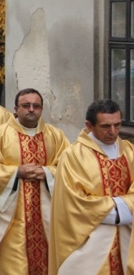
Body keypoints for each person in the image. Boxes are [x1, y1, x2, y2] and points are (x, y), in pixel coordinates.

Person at [0, 88, 69, 275]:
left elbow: (70, 168)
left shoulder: (56, 136)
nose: (31, 109)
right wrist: (17, 172)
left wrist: (47, 172)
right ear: (16, 109)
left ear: (42, 109)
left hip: (47, 218)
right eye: (26, 106)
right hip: (10, 220)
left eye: (36, 106)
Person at [49, 99, 134, 274]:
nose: (113, 132)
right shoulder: (73, 156)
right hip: (91, 244)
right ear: (89, 125)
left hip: (127, 240)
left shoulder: (129, 151)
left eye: (117, 125)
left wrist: (116, 207)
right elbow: (73, 204)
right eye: (105, 126)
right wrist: (124, 208)